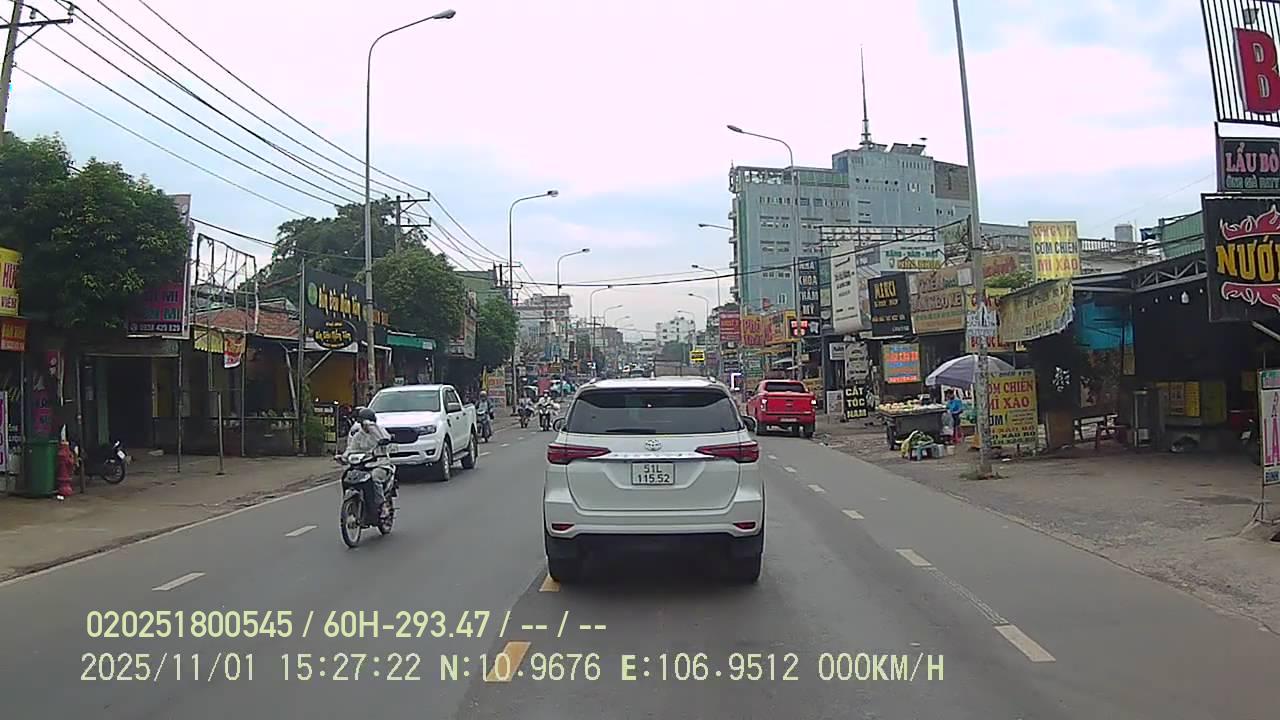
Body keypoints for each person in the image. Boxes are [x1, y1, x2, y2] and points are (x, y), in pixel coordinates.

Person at [344, 407, 393, 519]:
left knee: (375, 478)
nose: (364, 426)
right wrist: (344, 457)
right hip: (362, 465)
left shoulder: (379, 431)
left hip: (380, 464)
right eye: (362, 423)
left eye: (366, 423)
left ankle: (382, 505)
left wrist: (373, 429)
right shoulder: (358, 435)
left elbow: (385, 438)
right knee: (347, 476)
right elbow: (351, 448)